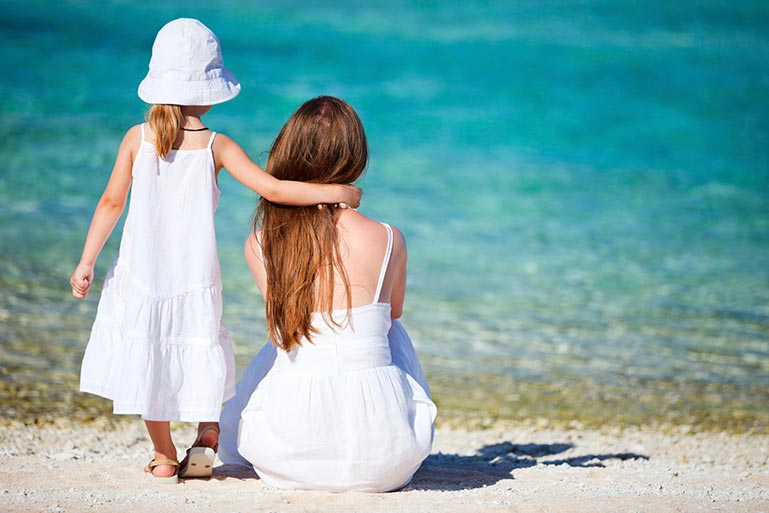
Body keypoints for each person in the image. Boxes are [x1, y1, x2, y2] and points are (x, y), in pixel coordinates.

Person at [69, 19, 361, 485]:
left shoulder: (136, 138)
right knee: (200, 348)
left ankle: (163, 455)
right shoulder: (215, 146)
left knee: (150, 359)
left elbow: (110, 203)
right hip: (194, 279)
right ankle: (207, 430)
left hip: (142, 278)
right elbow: (273, 189)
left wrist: (86, 262)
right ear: (208, 92)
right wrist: (337, 192)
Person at [218, 96, 437, 492]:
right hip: (385, 460)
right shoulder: (389, 238)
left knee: (293, 333)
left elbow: (282, 330)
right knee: (385, 326)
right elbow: (396, 312)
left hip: (288, 457)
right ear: (355, 158)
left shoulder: (260, 243)